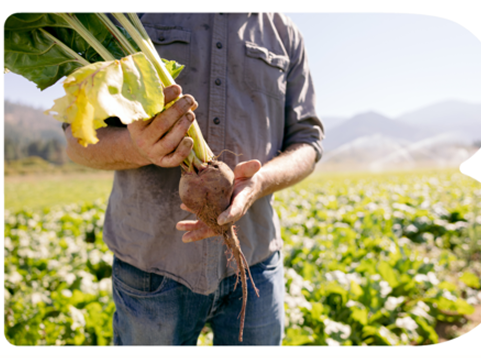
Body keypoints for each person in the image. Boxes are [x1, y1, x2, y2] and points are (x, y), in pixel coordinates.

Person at [64, 12, 324, 345]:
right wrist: (140, 148)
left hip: (257, 259)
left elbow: (308, 142)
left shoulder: (284, 33)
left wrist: (259, 182)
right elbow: (77, 141)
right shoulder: (129, 15)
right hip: (150, 269)